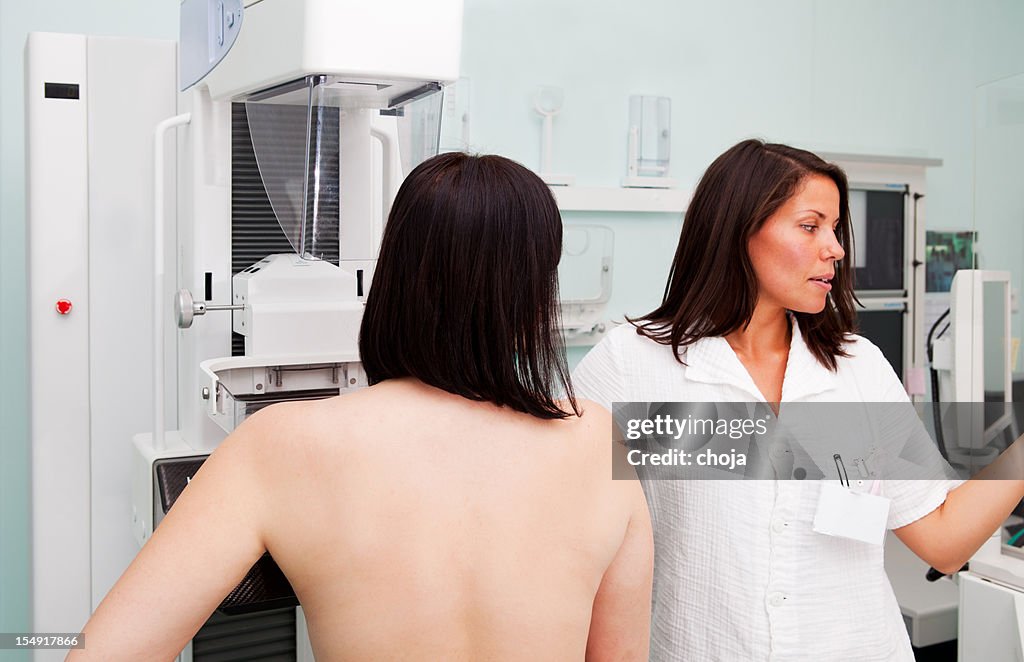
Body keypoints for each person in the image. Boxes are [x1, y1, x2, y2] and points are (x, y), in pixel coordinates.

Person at [71, 153, 653, 661]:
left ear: (394, 279)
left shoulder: (278, 445)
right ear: (536, 295)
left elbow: (105, 652)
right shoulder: (600, 442)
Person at [572, 139, 1024, 660]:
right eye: (811, 226)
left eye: (834, 229)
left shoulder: (857, 368)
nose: (834, 248)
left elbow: (943, 540)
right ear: (739, 231)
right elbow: (573, 550)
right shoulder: (633, 365)